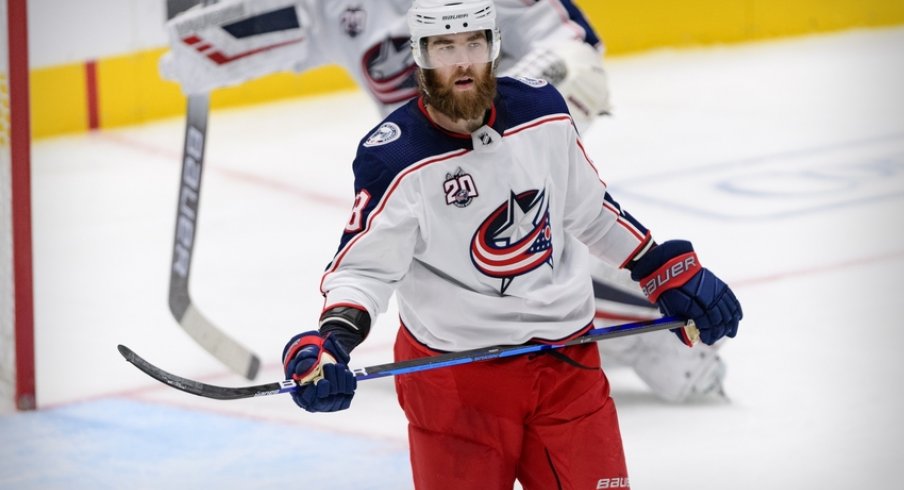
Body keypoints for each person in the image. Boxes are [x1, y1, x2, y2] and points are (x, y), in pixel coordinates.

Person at [161, 0, 728, 403]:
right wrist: (207, 37)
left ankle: (661, 338)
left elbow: (574, 53)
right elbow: (280, 22)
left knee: (533, 274)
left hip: (516, 174)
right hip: (427, 194)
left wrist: (506, 121)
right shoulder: (342, 7)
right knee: (447, 279)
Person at [280, 1, 743, 487]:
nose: (462, 62)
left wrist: (656, 266)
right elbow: (364, 271)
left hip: (568, 363)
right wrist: (332, 342)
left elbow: (588, 210)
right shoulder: (395, 156)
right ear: (419, 54)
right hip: (454, 381)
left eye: (473, 43)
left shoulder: (543, 112)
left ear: (494, 46)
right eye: (445, 47)